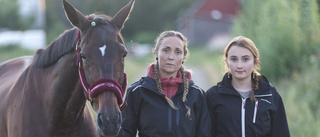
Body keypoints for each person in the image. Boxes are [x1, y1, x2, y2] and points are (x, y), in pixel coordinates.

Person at [118, 30, 211, 137]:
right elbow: (125, 132)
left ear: (183, 57)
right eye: (166, 50)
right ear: (156, 52)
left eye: (177, 52)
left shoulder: (197, 94)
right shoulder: (137, 91)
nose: (171, 57)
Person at [206, 36, 290, 137]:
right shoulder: (213, 96)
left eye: (245, 59)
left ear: (255, 62)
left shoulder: (270, 95)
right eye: (234, 59)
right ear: (227, 62)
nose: (239, 65)